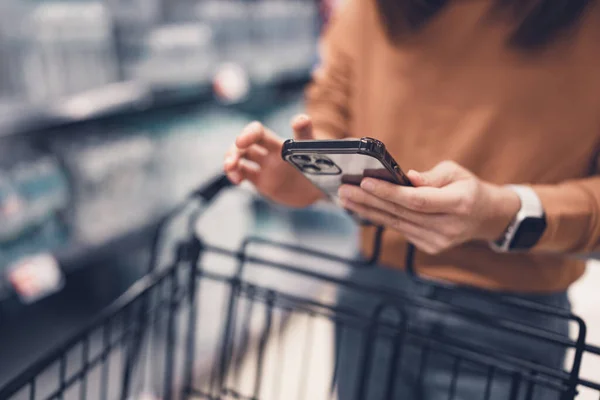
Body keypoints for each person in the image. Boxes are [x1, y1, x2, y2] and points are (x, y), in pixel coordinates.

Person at [223, 0, 600, 398]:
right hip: (373, 301)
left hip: (511, 322)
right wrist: (308, 176)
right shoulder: (370, 11)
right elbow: (330, 108)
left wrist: (503, 212)